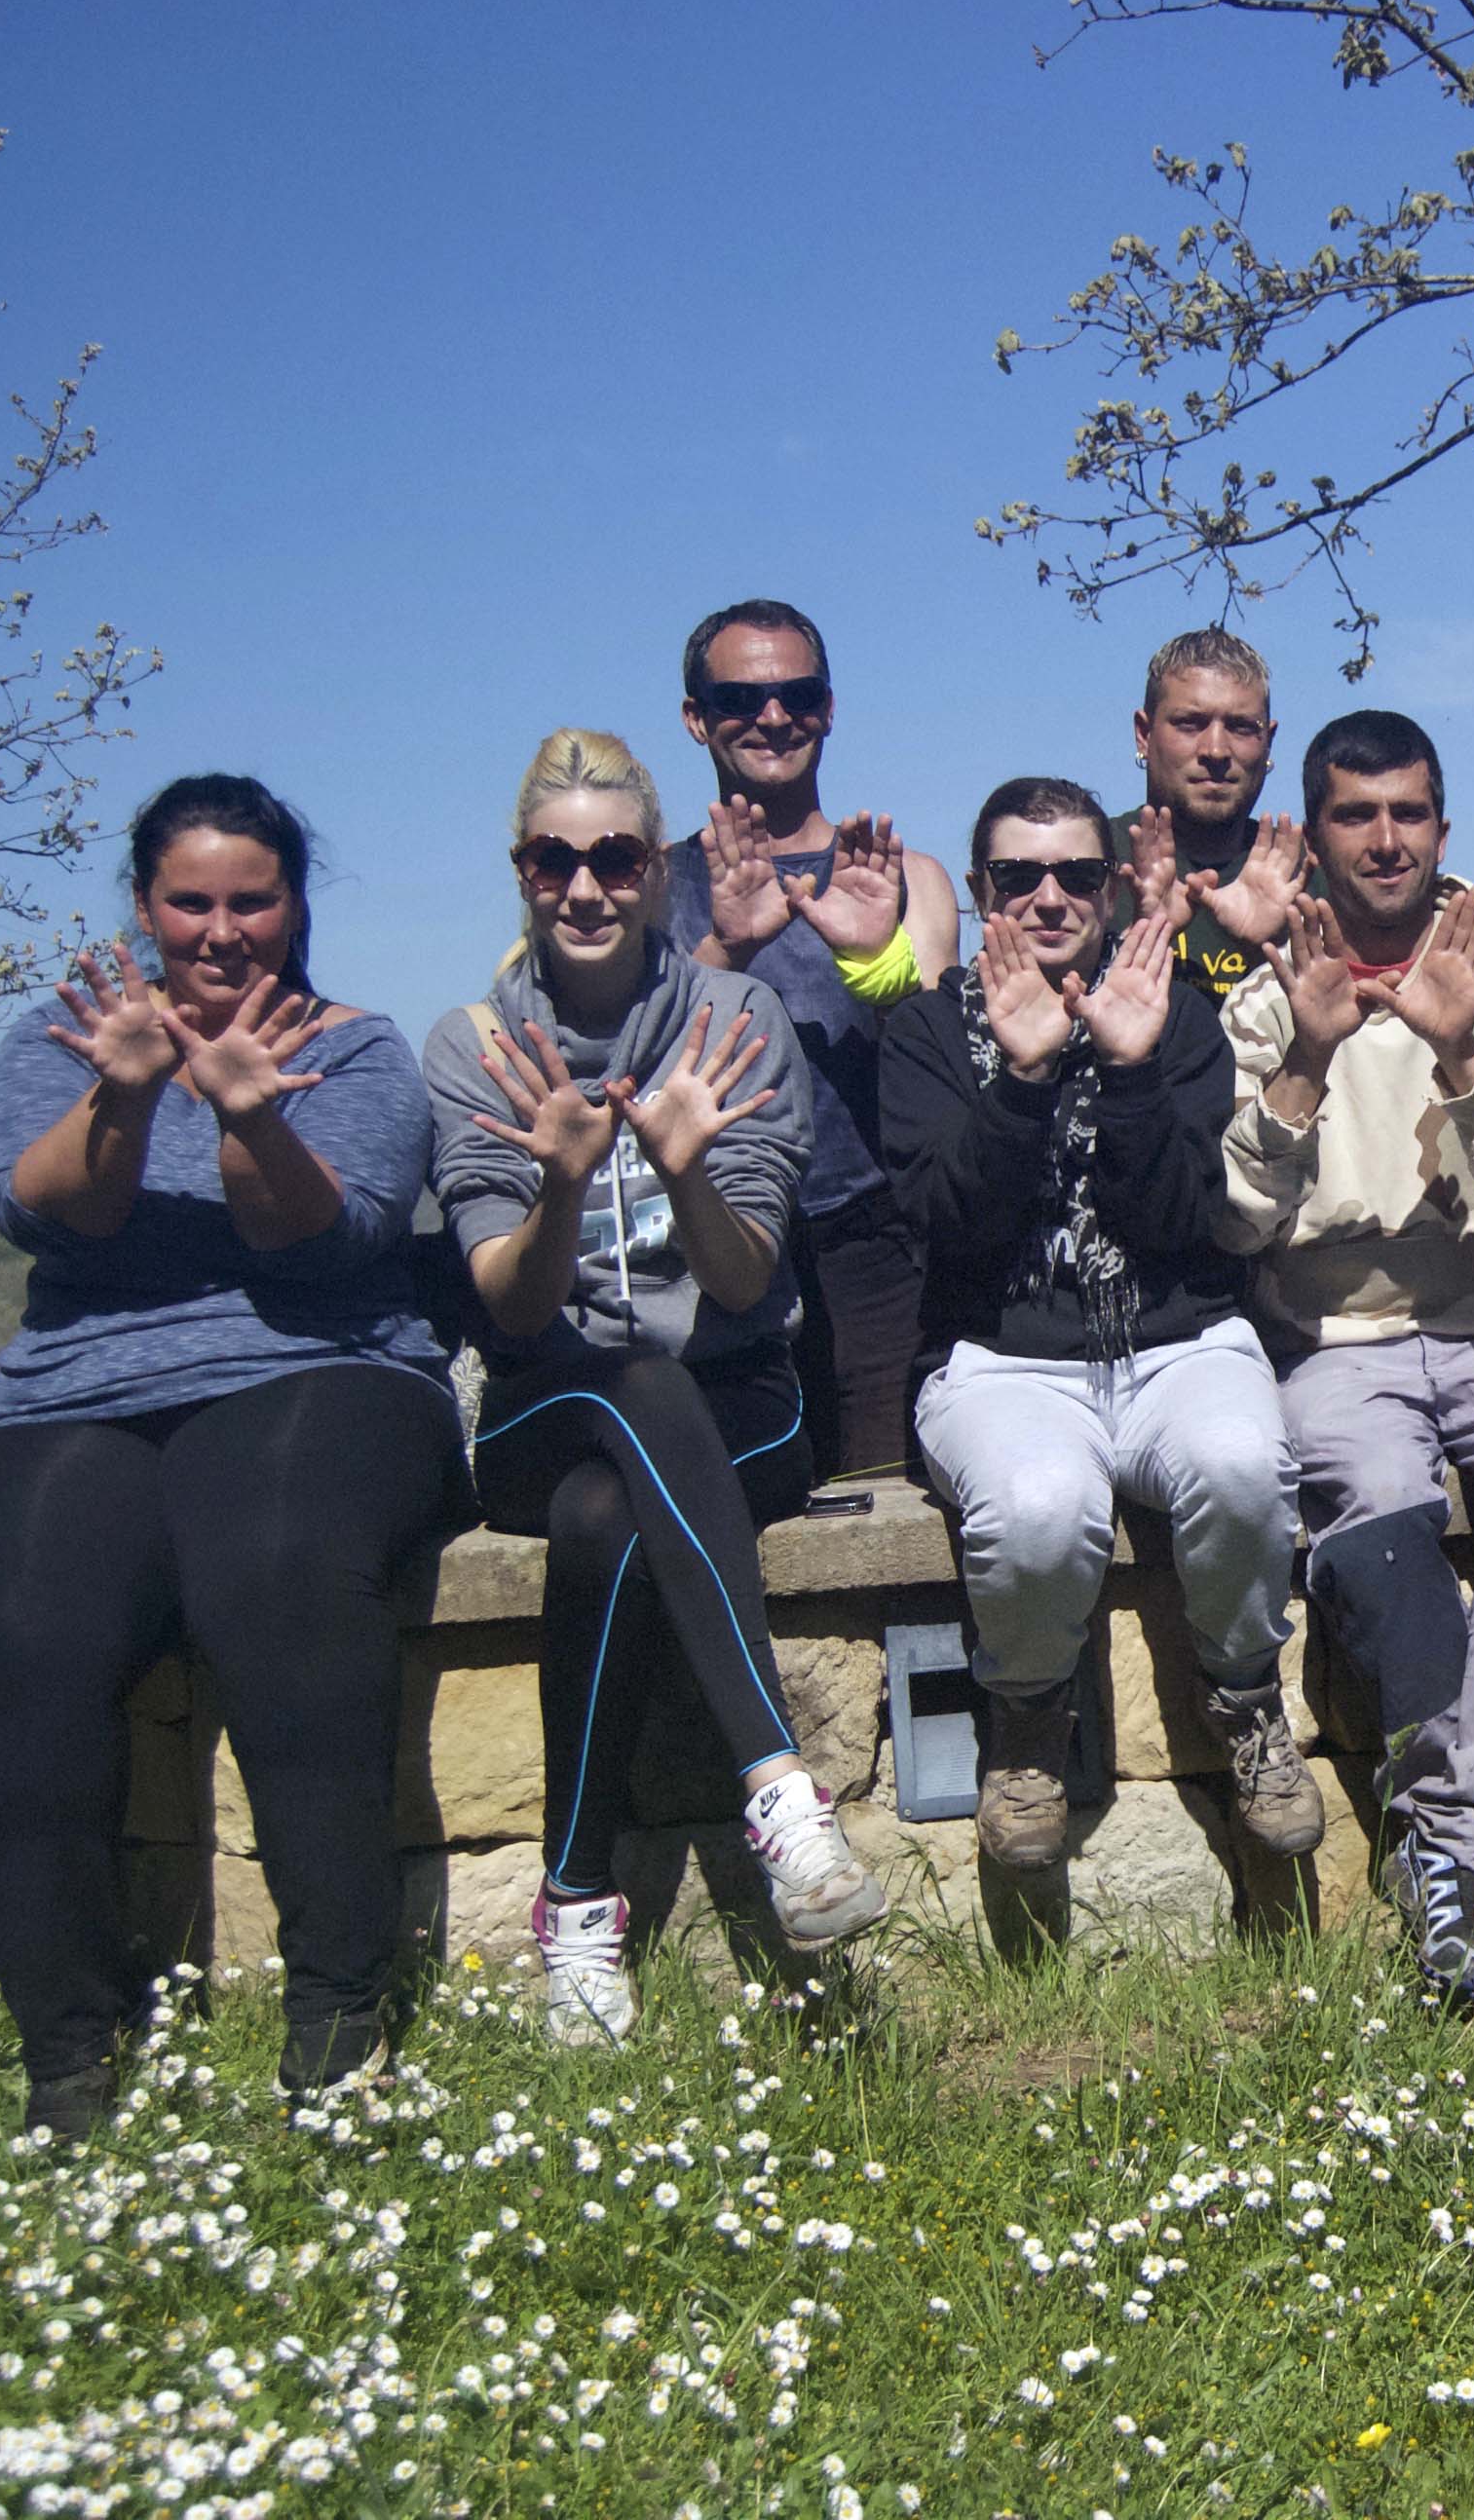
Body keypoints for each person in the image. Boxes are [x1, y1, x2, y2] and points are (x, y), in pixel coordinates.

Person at [0, 773, 464, 2135]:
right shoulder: (59, 1046)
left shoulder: (352, 1051)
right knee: (16, 1634)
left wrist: (249, 1116)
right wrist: (121, 1094)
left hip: (326, 1371)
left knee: (275, 1566)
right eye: (192, 902)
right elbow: (43, 1213)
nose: (223, 931)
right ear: (144, 907)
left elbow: (322, 1237)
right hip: (79, 1391)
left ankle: (338, 2020)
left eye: (254, 900)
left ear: (296, 907)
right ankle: (68, 2053)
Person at [425, 730, 889, 2047]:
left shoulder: (736, 1028)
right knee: (620, 1388)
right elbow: (510, 1306)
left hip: (734, 1407)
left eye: (616, 857)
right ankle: (782, 1792)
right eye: (555, 860)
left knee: (605, 1519)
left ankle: (577, 1911)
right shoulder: (474, 1048)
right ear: (521, 872)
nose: (585, 887)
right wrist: (565, 1180)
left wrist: (687, 1173)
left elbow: (743, 1289)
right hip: (542, 1403)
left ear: (655, 871)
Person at [882, 777, 1324, 1872]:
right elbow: (945, 1222)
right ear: (980, 891)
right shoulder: (929, 1030)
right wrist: (1024, 1080)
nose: (1046, 896)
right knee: (1037, 1505)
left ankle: (1243, 1695)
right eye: (1016, 876)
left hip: (1175, 1337)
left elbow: (1187, 1221)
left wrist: (1126, 1074)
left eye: (1077, 874)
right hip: (999, 1358)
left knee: (1239, 1465)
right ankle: (1028, 1721)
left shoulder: (1174, 1014)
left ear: (1115, 888)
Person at [1220, 711, 1474, 2002]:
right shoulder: (1270, 1004)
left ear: (1443, 827)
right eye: (1356, 815)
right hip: (1340, 1340)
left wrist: (1460, 1052)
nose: (1387, 840)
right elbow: (1236, 1218)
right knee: (1384, 1544)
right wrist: (1313, 1059)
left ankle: (1455, 1854)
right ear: (1313, 835)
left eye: (1410, 814)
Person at [672, 598, 960, 1486]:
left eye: (798, 693)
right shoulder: (641, 883)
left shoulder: (908, 877)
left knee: (886, 1517)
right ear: (696, 719)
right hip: (711, 1244)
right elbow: (622, 1058)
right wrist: (729, 947)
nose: (772, 716)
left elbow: (950, 1071)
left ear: (829, 708)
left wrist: (875, 964)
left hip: (878, 1251)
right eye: (738, 699)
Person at [1123, 625, 1310, 1003]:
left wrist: (1273, 946)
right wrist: (1143, 933)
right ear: (1144, 733)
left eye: (1241, 728)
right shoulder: (1086, 866)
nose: (1216, 750)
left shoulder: (1313, 877)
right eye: (1190, 723)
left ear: (1269, 742)